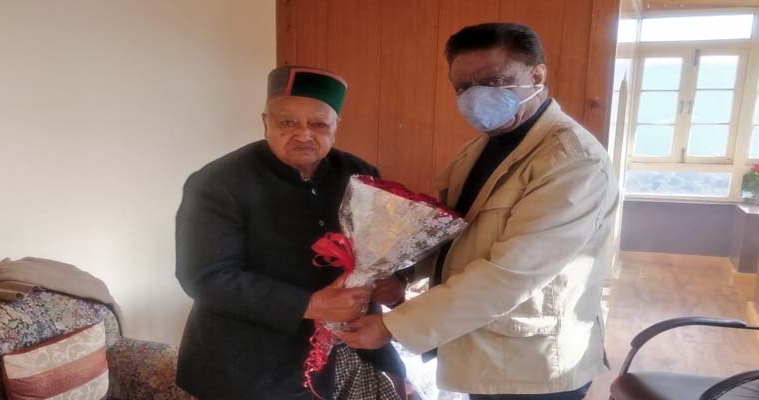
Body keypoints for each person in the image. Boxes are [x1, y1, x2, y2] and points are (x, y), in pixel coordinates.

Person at [338, 23, 618, 400]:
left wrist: (392, 327)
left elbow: (511, 275)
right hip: (485, 351)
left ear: (537, 75)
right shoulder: (483, 148)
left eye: (494, 81)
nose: (476, 97)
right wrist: (403, 275)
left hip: (532, 367)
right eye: (463, 88)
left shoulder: (573, 163)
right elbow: (454, 232)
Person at [175, 65, 405, 399]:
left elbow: (389, 245)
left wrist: (395, 284)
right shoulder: (218, 182)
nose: (303, 135)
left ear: (336, 127)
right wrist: (310, 304)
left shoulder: (359, 174)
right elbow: (204, 277)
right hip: (250, 368)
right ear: (265, 122)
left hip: (352, 351)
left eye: (318, 124)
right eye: (287, 123)